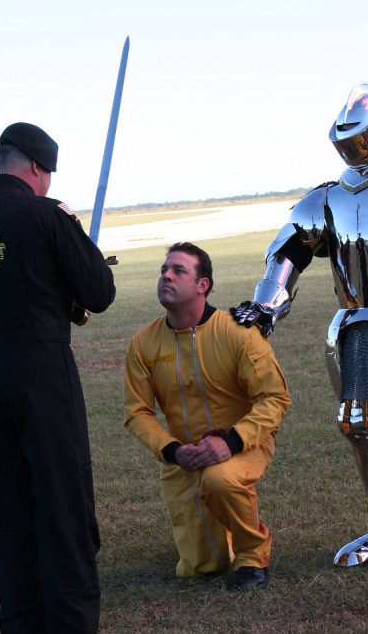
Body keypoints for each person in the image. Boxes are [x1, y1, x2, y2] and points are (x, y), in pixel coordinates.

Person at [232, 83, 368, 574]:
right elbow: (286, 255)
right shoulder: (326, 199)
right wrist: (266, 307)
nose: (351, 145)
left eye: (357, 135)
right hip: (353, 324)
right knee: (358, 424)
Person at [0, 122, 124, 634]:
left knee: (9, 500)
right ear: (37, 170)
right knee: (60, 495)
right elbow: (99, 291)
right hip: (40, 370)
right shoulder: (47, 216)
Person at [124, 242, 291, 590]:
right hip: (184, 458)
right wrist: (172, 451)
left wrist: (231, 442)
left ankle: (251, 554)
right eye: (163, 270)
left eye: (178, 270)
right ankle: (223, 533)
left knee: (219, 478)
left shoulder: (238, 332)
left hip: (245, 444)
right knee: (203, 565)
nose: (165, 276)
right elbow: (137, 413)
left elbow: (275, 398)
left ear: (203, 285)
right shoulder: (143, 343)